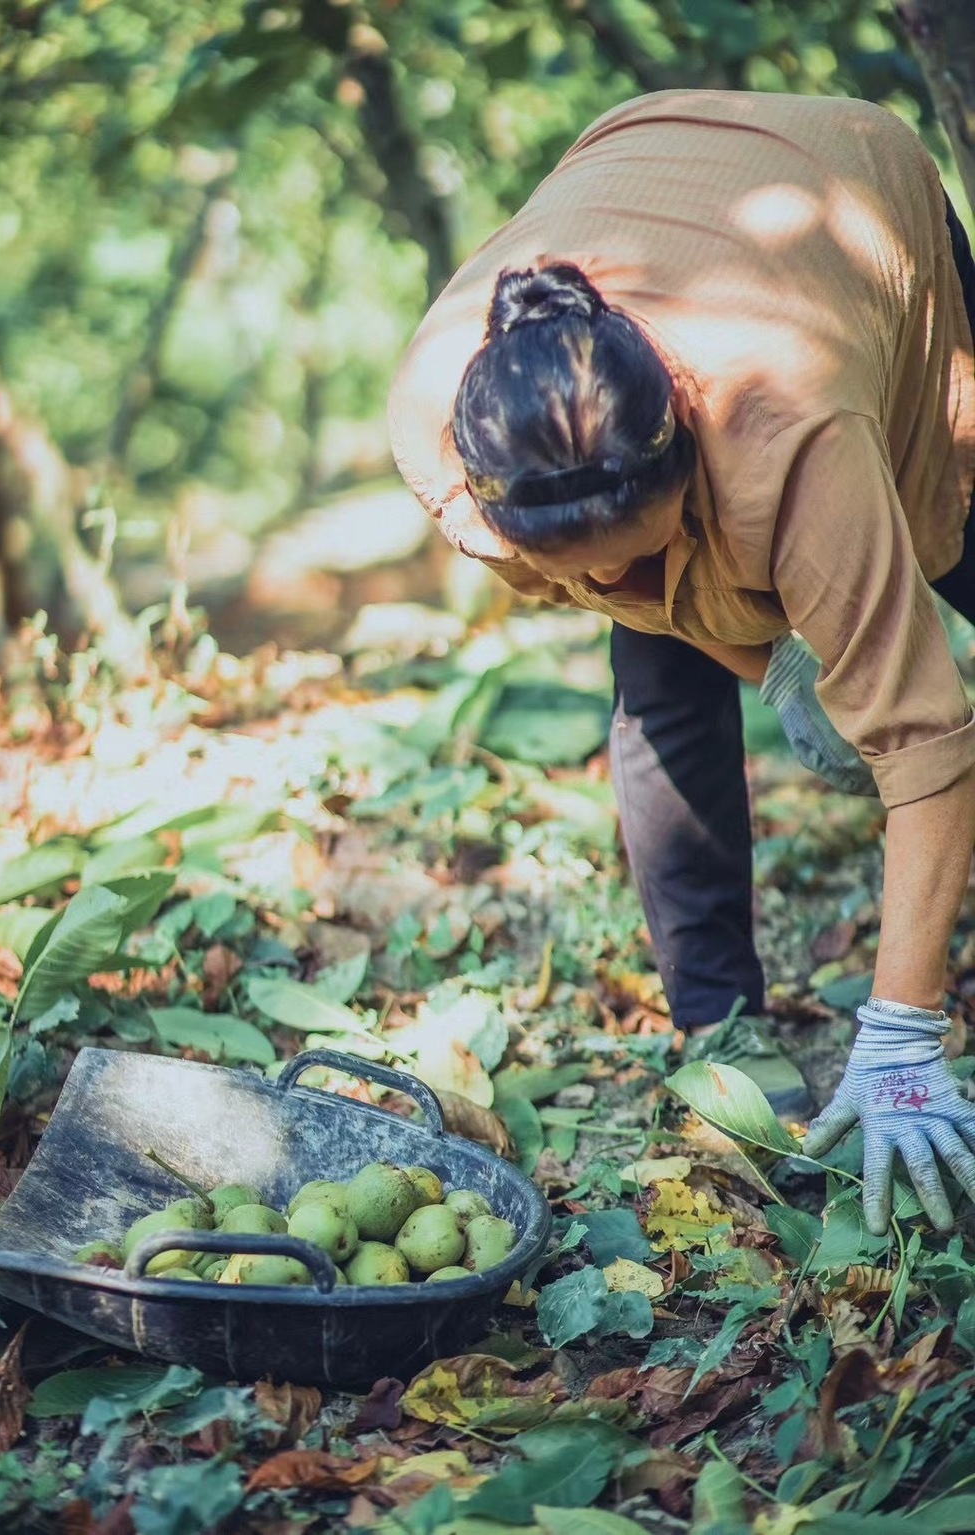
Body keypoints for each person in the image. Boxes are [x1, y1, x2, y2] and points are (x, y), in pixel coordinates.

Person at [387, 88, 975, 1238]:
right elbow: (628, 581)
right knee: (658, 687)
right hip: (638, 169)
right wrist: (770, 661)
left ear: (688, 462)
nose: (613, 593)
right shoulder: (449, 440)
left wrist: (901, 1032)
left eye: (635, 557)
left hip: (849, 195)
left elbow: (923, 741)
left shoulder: (788, 432)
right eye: (582, 574)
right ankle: (719, 1018)